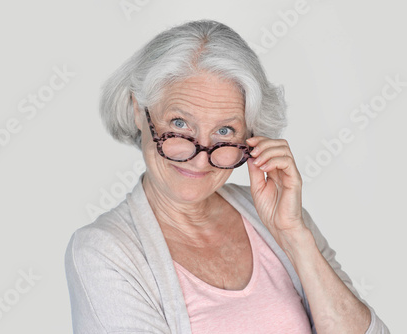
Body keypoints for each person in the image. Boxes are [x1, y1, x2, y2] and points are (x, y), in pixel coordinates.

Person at [65, 20, 389, 333]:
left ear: (251, 136)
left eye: (224, 131)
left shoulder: (274, 217)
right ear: (139, 110)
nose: (200, 157)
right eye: (179, 124)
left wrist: (293, 234)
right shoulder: (102, 251)